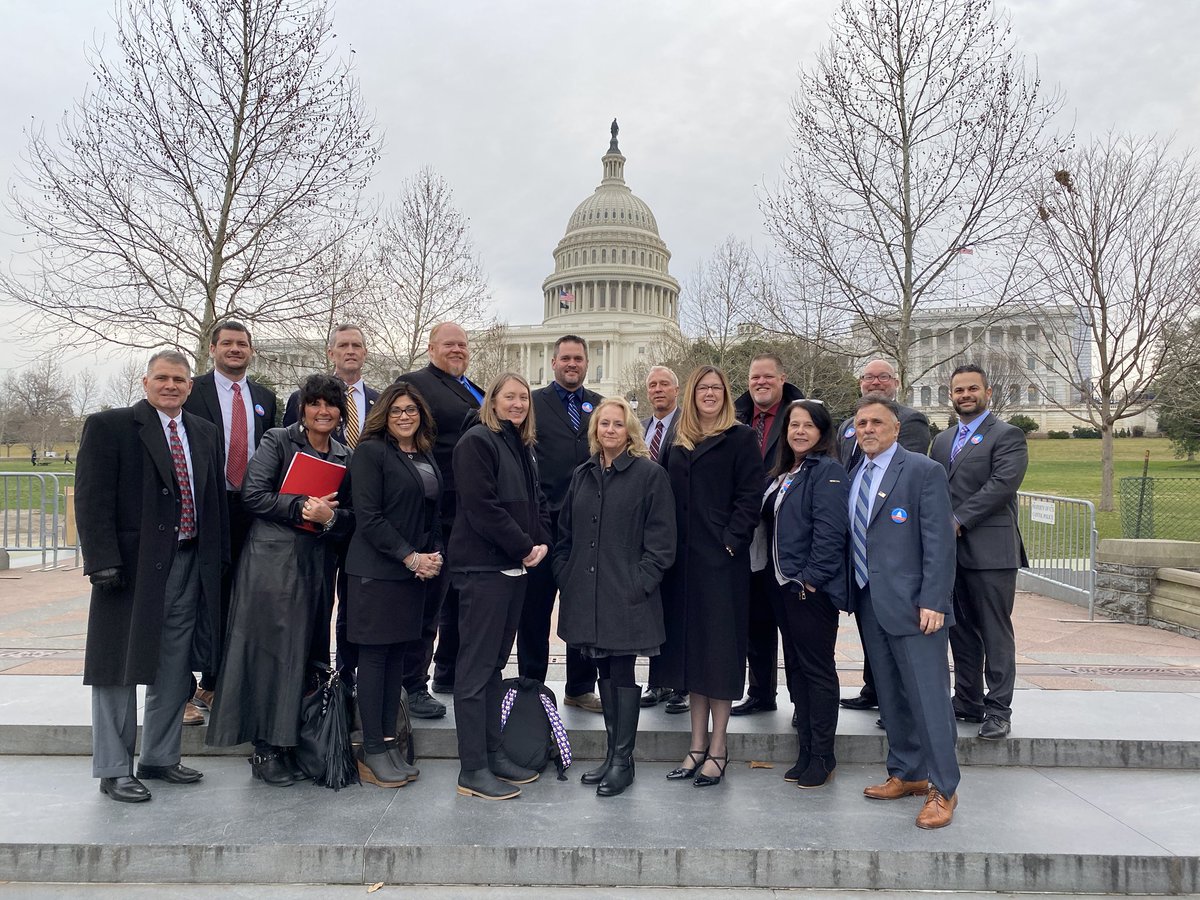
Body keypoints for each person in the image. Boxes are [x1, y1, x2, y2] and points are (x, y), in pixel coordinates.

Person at [76, 350, 228, 803]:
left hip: (188, 562)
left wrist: (216, 562)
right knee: (117, 668)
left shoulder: (203, 432)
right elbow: (91, 497)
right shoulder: (111, 426)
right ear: (145, 382)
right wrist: (102, 560)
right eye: (162, 378)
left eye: (179, 379)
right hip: (129, 569)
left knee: (174, 666)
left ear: (189, 386)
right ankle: (113, 768)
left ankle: (160, 757)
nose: (171, 386)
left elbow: (214, 502)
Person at [207, 374, 354, 787]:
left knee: (305, 655)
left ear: (341, 411)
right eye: (315, 404)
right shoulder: (278, 440)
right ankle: (265, 747)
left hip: (316, 565)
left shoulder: (343, 454)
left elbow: (350, 517)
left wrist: (332, 519)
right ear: (303, 408)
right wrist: (303, 506)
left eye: (331, 404)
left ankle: (291, 741)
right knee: (271, 652)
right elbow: (253, 495)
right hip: (271, 563)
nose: (323, 411)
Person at [554, 398, 676, 797]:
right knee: (603, 671)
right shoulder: (582, 474)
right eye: (603, 423)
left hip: (626, 594)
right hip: (586, 593)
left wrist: (638, 582)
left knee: (621, 671)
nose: (609, 430)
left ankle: (623, 760)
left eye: (617, 424)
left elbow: (661, 543)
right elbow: (565, 533)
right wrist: (565, 573)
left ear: (630, 431)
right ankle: (611, 755)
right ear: (594, 430)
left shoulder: (649, 475)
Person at [848, 394, 960, 829]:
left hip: (917, 608)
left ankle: (942, 788)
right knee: (891, 696)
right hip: (869, 602)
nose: (868, 429)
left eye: (877, 422)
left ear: (896, 428)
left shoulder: (922, 471)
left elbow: (939, 541)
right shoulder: (857, 473)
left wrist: (935, 599)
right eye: (861, 424)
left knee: (929, 699)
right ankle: (908, 772)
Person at [654, 366, 764, 788]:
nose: (710, 394)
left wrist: (730, 544)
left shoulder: (739, 438)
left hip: (721, 565)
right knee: (691, 658)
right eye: (703, 388)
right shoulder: (677, 441)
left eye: (717, 388)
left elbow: (749, 497)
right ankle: (695, 744)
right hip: (681, 566)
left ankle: (718, 747)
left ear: (726, 394)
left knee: (718, 656)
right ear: (693, 393)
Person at [449, 372, 552, 800]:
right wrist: (524, 546)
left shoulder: (520, 444)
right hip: (483, 570)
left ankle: (493, 753)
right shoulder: (477, 442)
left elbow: (538, 500)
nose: (518, 404)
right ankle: (472, 769)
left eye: (524, 398)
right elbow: (482, 508)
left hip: (513, 569)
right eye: (510, 397)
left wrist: (543, 540)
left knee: (494, 668)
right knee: (474, 673)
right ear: (492, 400)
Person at [344, 382, 443, 787]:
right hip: (376, 572)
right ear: (385, 414)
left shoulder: (422, 454)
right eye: (397, 410)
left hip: (411, 573)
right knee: (374, 659)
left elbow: (430, 511)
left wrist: (431, 556)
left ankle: (388, 743)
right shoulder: (371, 452)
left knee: (397, 660)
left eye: (412, 409)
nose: (405, 416)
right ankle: (371, 748)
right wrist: (410, 556)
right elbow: (369, 517)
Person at [183, 320, 279, 724]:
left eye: (242, 344)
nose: (235, 349)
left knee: (244, 593)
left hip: (252, 506)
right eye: (227, 343)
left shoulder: (264, 397)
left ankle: (219, 680)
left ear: (251, 350)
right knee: (198, 594)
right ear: (212, 348)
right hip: (208, 503)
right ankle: (183, 691)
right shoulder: (193, 391)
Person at [752, 400, 849, 789]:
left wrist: (810, 579)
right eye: (794, 425)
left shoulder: (827, 472)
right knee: (796, 670)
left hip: (809, 590)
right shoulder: (785, 472)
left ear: (822, 432)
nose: (799, 431)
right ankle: (806, 748)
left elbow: (830, 532)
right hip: (782, 588)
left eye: (809, 425)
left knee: (817, 671)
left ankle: (823, 755)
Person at [931, 364, 1028, 740]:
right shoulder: (942, 440)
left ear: (988, 393)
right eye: (958, 390)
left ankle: (998, 709)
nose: (965, 395)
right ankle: (967, 701)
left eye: (973, 388)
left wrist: (957, 519)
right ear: (951, 395)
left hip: (991, 552)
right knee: (961, 631)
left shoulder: (1007, 435)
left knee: (994, 632)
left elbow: (1001, 485)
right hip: (950, 554)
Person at [394, 322, 484, 718]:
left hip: (467, 511)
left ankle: (446, 671)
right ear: (431, 348)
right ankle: (411, 684)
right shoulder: (415, 383)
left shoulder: (474, 388)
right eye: (450, 344)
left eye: (463, 345)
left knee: (460, 599)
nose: (458, 350)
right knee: (425, 602)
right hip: (431, 510)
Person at [283, 324, 379, 680]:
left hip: (358, 513)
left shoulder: (377, 399)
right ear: (331, 353)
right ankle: (313, 674)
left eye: (357, 345)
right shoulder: (303, 398)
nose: (350, 350)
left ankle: (346, 672)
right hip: (314, 514)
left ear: (365, 353)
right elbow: (291, 451)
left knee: (355, 599)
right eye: (343, 345)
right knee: (317, 598)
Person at [837, 358, 931, 714]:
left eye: (883, 376)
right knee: (870, 625)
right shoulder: (848, 425)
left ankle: (899, 704)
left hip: (891, 535)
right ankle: (875, 690)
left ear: (896, 381)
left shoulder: (911, 420)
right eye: (868, 377)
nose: (875, 382)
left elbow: (909, 478)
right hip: (859, 534)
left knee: (894, 629)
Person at [521, 335, 602, 712]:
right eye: (565, 358)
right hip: (542, 523)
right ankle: (532, 684)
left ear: (586, 364)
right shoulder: (532, 405)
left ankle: (581, 686)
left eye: (578, 359)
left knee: (581, 607)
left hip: (587, 525)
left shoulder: (599, 407)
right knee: (534, 609)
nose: (572, 364)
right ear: (553, 362)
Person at [732, 352, 805, 717]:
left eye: (767, 377)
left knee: (792, 625)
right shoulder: (738, 415)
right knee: (755, 619)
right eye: (754, 377)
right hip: (750, 533)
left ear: (782, 378)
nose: (760, 383)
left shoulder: (800, 414)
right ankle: (761, 692)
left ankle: (801, 701)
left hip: (787, 532)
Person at [639, 365, 687, 714]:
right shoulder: (641, 428)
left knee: (680, 610)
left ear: (676, 389)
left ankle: (682, 684)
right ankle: (658, 682)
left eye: (664, 384)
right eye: (652, 385)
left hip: (681, 530)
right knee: (654, 611)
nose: (658, 390)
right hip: (646, 532)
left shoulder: (688, 425)